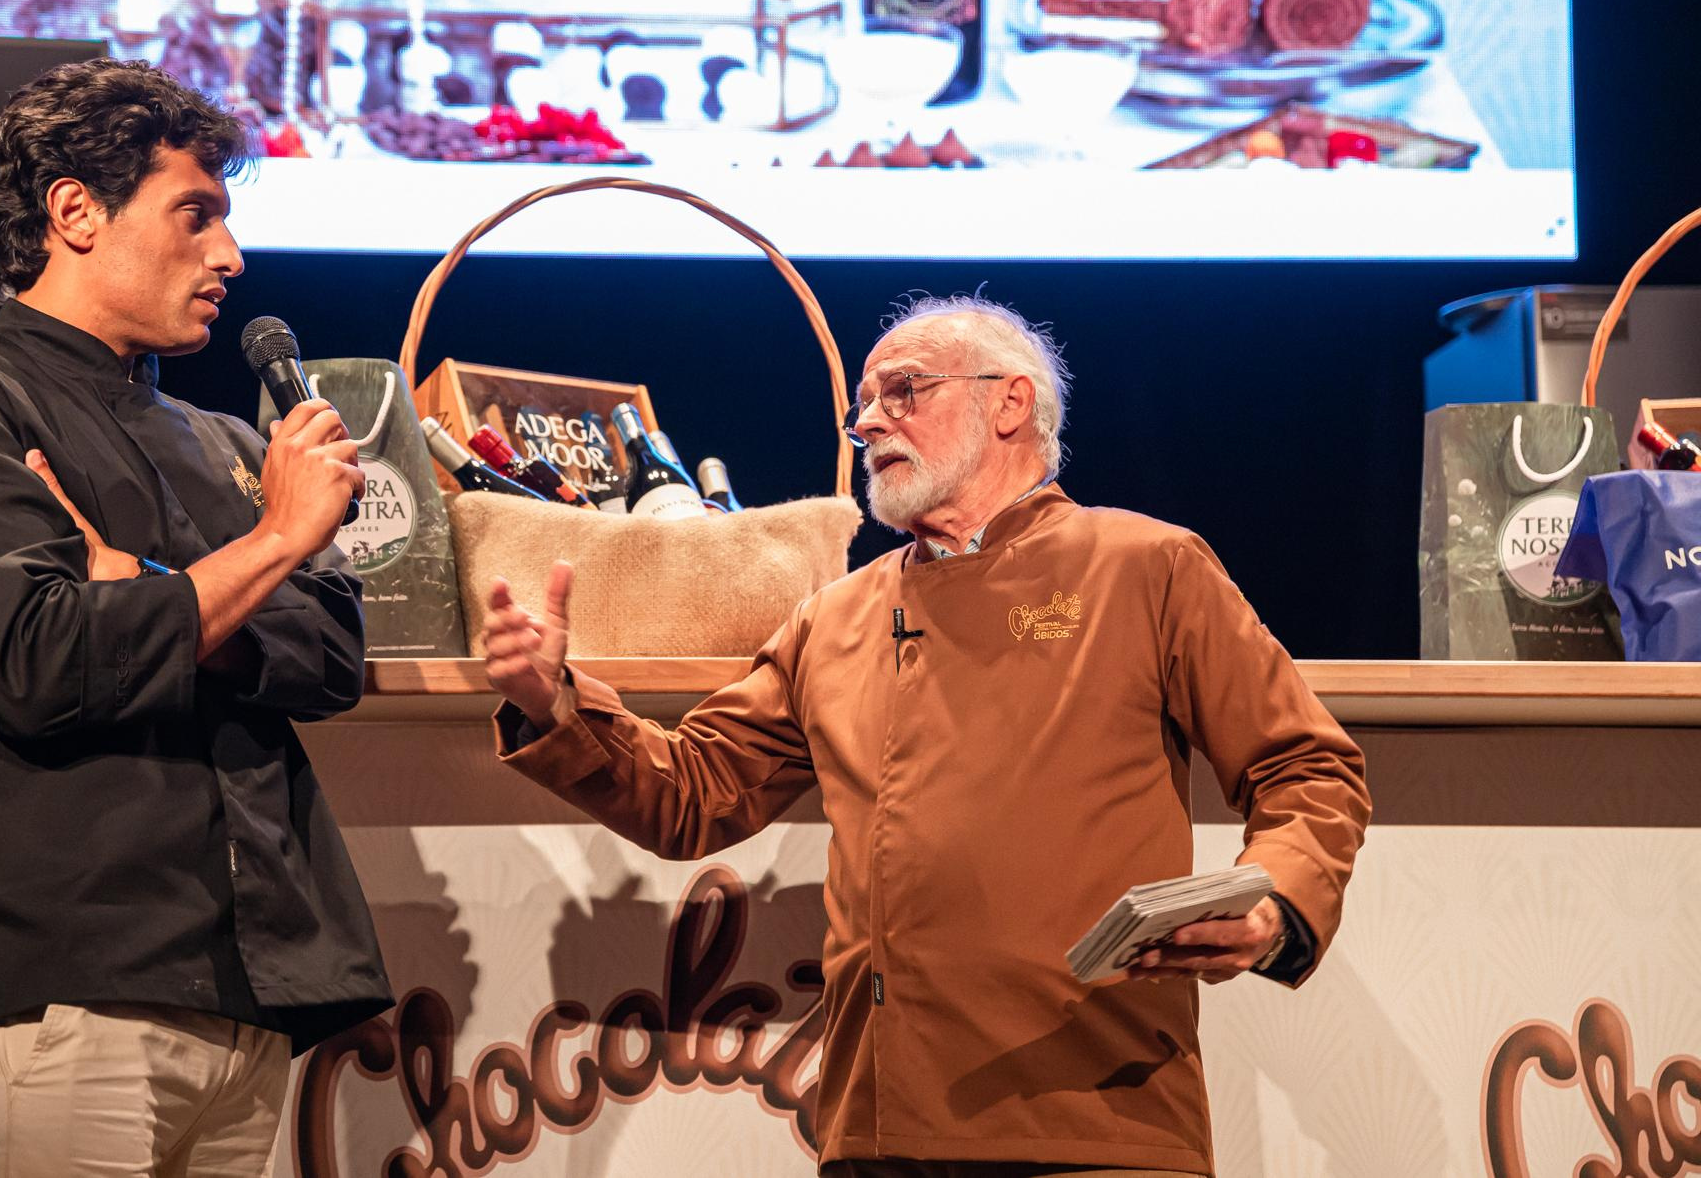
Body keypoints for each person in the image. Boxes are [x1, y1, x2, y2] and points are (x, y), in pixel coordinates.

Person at [480, 295, 1371, 1178]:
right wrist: (552, 701)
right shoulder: (837, 616)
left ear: (1010, 403)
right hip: (882, 1131)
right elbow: (693, 791)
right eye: (864, 401)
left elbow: (1306, 765)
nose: (870, 421)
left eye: (904, 390)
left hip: (1098, 1119)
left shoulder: (1146, 565)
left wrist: (1274, 905)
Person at [0, 59, 391, 1176]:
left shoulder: (223, 440)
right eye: (195, 214)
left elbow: (331, 656)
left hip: (246, 1003)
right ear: (74, 213)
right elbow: (39, 658)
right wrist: (270, 545)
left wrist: (147, 590)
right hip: (66, 991)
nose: (229, 256)